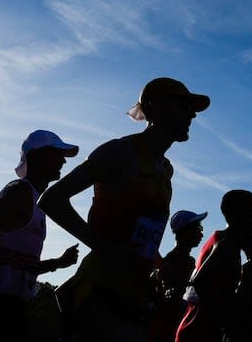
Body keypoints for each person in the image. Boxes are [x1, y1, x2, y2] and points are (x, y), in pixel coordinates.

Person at [37, 77, 210, 342]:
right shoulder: (119, 152)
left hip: (133, 298)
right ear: (156, 108)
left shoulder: (166, 170)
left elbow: (142, 233)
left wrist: (155, 266)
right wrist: (104, 247)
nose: (192, 114)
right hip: (101, 293)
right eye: (183, 105)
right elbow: (52, 199)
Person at [0, 130, 80, 342]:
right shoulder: (20, 194)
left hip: (10, 305)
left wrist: (58, 263)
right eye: (56, 153)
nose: (63, 160)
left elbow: (16, 264)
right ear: (36, 156)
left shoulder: (33, 200)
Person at [176, 189, 252, 342]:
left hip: (196, 328)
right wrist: (227, 319)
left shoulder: (221, 238)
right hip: (200, 331)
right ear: (239, 214)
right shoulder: (227, 242)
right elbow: (199, 281)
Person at [147, 210, 207, 342]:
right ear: (185, 231)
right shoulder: (181, 261)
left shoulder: (174, 259)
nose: (201, 233)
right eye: (198, 228)